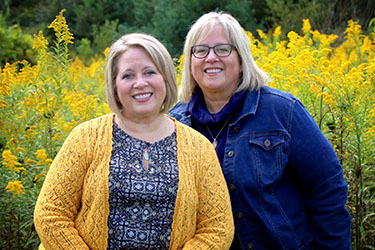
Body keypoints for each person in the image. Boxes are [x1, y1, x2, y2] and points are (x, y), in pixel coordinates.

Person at [169, 11, 352, 250]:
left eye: (223, 49)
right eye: (200, 50)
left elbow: (327, 188)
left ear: (242, 57)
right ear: (190, 60)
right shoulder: (174, 123)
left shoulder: (283, 111)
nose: (210, 57)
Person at [34, 33, 234, 250]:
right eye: (128, 76)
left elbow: (218, 228)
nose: (140, 83)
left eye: (150, 72)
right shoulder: (85, 137)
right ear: (115, 86)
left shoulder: (199, 147)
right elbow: (50, 214)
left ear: (166, 78)